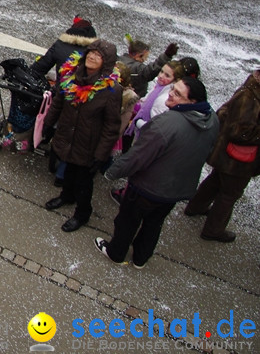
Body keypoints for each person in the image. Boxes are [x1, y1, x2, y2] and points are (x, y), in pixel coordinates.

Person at [96, 77, 219, 267]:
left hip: (147, 187)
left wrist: (113, 172)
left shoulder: (168, 122)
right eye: (172, 89)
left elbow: (139, 155)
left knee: (127, 221)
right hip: (176, 190)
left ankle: (115, 253)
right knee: (153, 225)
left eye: (178, 94)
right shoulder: (212, 120)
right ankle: (140, 258)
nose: (170, 94)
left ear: (192, 102)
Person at [43, 39, 122, 232]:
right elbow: (59, 102)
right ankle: (66, 196)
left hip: (89, 143)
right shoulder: (70, 75)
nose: (93, 57)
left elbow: (112, 125)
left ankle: (82, 213)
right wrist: (47, 125)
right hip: (68, 136)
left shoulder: (112, 89)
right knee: (68, 168)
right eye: (91, 52)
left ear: (107, 62)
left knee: (84, 182)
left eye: (99, 56)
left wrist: (101, 154)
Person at [184, 68, 260, 242]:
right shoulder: (250, 97)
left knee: (216, 180)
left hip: (226, 154)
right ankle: (213, 230)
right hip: (237, 160)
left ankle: (196, 207)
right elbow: (239, 131)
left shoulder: (251, 90)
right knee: (229, 194)